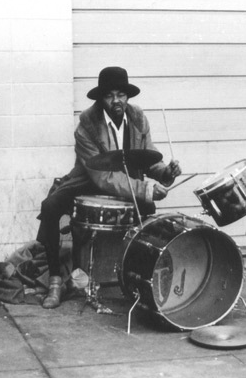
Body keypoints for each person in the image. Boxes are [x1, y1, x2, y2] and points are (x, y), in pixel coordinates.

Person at [36, 66, 182, 309]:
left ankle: (136, 277)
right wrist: (144, 189)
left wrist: (166, 173)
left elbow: (149, 159)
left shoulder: (138, 118)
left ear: (128, 96)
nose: (116, 101)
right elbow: (102, 177)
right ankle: (55, 280)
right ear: (101, 98)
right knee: (50, 206)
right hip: (89, 179)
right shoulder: (86, 125)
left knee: (148, 214)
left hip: (129, 180)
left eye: (121, 94)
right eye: (109, 95)